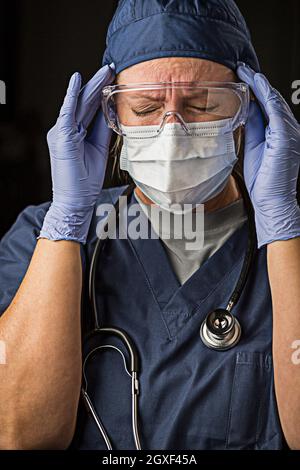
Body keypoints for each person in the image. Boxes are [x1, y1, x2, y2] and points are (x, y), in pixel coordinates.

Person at [0, 0, 300, 450]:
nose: (172, 130)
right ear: (111, 118)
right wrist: (67, 225)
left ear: (247, 112)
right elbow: (20, 436)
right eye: (144, 108)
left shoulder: (289, 249)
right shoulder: (39, 236)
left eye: (201, 105)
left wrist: (282, 225)